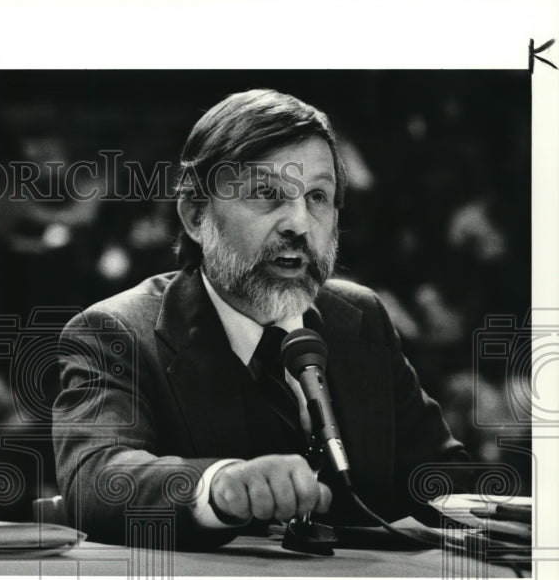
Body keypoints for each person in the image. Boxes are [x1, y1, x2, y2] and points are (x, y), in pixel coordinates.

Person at [52, 89, 468, 547]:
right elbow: (95, 480)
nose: (299, 223)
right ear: (196, 215)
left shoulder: (360, 318)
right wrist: (221, 484)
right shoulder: (117, 331)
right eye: (266, 194)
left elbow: (447, 481)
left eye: (317, 197)